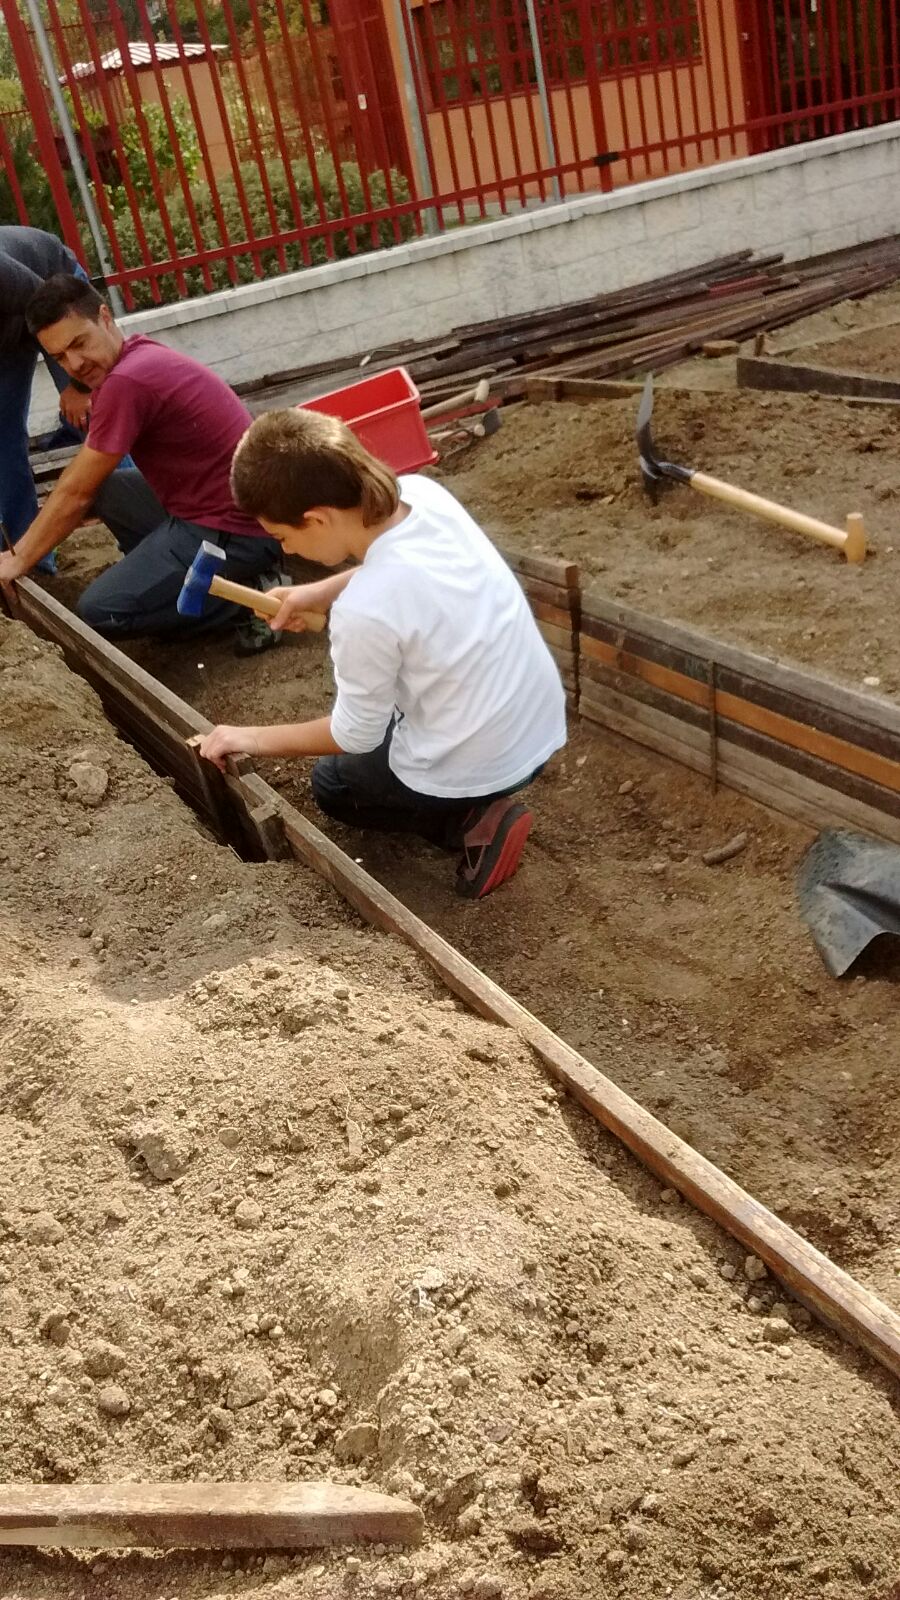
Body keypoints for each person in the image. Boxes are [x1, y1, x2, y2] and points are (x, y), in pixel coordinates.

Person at [198, 408, 566, 899]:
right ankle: (475, 798)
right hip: (538, 728)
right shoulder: (423, 495)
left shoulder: (364, 611)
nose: (286, 551)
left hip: (484, 761)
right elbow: (392, 565)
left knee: (335, 785)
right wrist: (319, 591)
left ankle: (469, 822)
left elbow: (353, 734)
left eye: (283, 537)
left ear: (317, 518)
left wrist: (248, 737)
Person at [0, 273, 282, 647]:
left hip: (238, 531)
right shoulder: (136, 354)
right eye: (59, 357)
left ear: (105, 317)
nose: (74, 364)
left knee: (101, 611)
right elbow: (84, 483)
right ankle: (167, 578)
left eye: (79, 343)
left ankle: (250, 600)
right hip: (215, 509)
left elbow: (76, 492)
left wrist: (18, 559)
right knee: (110, 487)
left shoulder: (126, 382)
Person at [0, 227, 95, 574]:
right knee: (3, 439)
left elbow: (49, 307)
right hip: (8, 331)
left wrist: (78, 386)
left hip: (55, 293)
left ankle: (143, 527)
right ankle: (31, 561)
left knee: (94, 418)